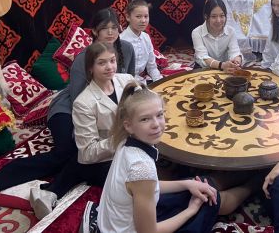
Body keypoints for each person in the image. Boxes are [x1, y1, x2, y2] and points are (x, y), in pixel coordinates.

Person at [0, 8, 136, 218]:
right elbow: (79, 99)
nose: (110, 32)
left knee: (93, 155)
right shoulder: (84, 58)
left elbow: (128, 88)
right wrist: (93, 136)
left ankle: (49, 193)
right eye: (104, 28)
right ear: (94, 32)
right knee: (69, 151)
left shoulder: (127, 49)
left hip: (100, 109)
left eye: (114, 27)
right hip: (68, 108)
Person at [79, 84, 257, 233]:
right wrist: (190, 210)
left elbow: (144, 186)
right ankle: (254, 183)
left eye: (159, 115)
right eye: (145, 119)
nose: (156, 124)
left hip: (123, 216)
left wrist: (187, 184)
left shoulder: (125, 141)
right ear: (129, 125)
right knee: (211, 201)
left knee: (200, 184)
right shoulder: (141, 168)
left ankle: (248, 176)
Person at [30, 41, 139, 219]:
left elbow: (144, 101)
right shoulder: (84, 102)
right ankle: (91, 213)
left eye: (112, 60)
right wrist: (123, 139)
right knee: (136, 183)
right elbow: (88, 153)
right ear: (90, 68)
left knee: (75, 162)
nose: (109, 67)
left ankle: (50, 192)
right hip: (106, 159)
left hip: (127, 147)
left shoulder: (126, 80)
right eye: (101, 63)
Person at [191, 0, 242, 72]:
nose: (218, 20)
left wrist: (236, 62)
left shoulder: (231, 31)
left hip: (226, 67)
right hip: (204, 68)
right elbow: (202, 57)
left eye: (222, 16)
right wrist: (222, 65)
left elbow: (235, 52)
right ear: (206, 17)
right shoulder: (197, 32)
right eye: (214, 16)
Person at [119, 0, 163, 83]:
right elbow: (121, 73)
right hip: (124, 82)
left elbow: (152, 67)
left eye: (146, 16)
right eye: (138, 16)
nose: (143, 20)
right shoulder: (122, 40)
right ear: (128, 17)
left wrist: (159, 82)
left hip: (140, 80)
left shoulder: (146, 38)